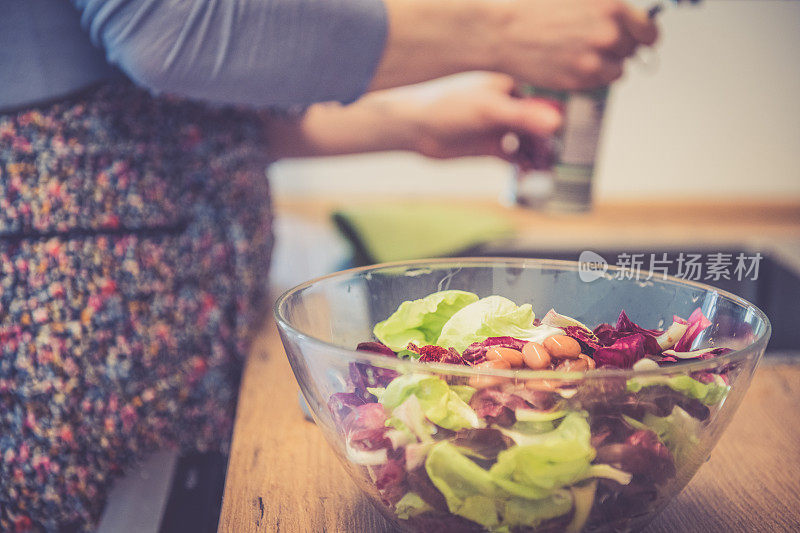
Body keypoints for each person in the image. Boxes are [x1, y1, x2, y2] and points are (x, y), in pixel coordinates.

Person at [0, 0, 657, 529]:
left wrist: (411, 125)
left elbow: (190, 105)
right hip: (73, 302)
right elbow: (166, 29)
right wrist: (506, 25)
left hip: (176, 300)